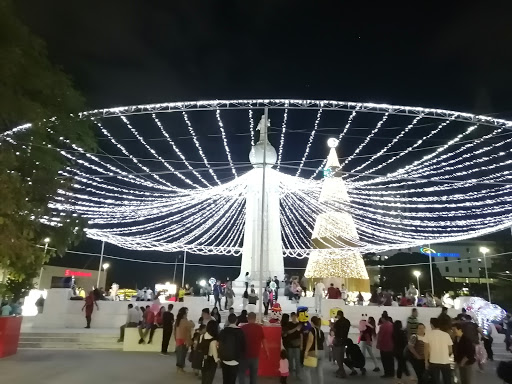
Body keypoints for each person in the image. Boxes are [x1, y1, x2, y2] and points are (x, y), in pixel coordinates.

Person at [239, 312, 268, 384]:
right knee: (254, 376)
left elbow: (238, 341)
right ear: (255, 319)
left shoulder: (243, 328)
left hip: (244, 355)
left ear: (247, 318)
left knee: (241, 374)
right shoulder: (259, 328)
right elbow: (264, 341)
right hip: (255, 356)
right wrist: (267, 351)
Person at [219, 313, 246, 384]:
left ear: (228, 320)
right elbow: (243, 346)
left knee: (225, 379)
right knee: (232, 380)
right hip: (235, 360)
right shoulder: (240, 332)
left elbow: (219, 344)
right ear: (236, 320)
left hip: (224, 359)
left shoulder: (223, 331)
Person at [425, 317, 453, 384]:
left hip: (433, 361)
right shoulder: (446, 335)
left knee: (435, 380)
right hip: (445, 361)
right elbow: (450, 350)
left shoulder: (428, 334)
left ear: (431, 325)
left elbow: (426, 349)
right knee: (447, 380)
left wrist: (426, 361)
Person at [303, 316, 325, 384]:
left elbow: (310, 341)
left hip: (313, 352)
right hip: (322, 352)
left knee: (306, 369)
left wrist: (306, 351)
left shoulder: (312, 330)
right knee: (319, 370)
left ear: (312, 322)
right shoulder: (321, 331)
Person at [175, 307, 194, 373]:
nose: (187, 314)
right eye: (186, 313)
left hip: (178, 339)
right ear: (184, 314)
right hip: (184, 340)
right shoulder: (184, 321)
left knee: (179, 354)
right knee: (182, 354)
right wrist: (191, 321)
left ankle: (179, 368)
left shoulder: (178, 321)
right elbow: (193, 325)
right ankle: (180, 368)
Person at [201, 320, 220, 384]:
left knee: (204, 377)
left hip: (203, 359)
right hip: (211, 361)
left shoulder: (202, 336)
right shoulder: (213, 340)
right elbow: (215, 353)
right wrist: (218, 361)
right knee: (209, 378)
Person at [333, 310, 350, 378]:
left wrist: (332, 325)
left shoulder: (338, 322)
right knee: (342, 355)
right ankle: (340, 369)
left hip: (338, 340)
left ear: (339, 315)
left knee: (338, 356)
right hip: (344, 340)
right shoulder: (347, 321)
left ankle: (342, 371)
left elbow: (334, 330)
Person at [285, 312, 303, 378]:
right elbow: (289, 332)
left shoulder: (299, 324)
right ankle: (291, 372)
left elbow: (301, 335)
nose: (294, 318)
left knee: (297, 359)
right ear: (291, 317)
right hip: (290, 344)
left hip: (297, 344)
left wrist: (301, 344)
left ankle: (298, 374)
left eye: (295, 316)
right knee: (290, 359)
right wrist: (296, 328)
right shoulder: (289, 324)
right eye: (293, 316)